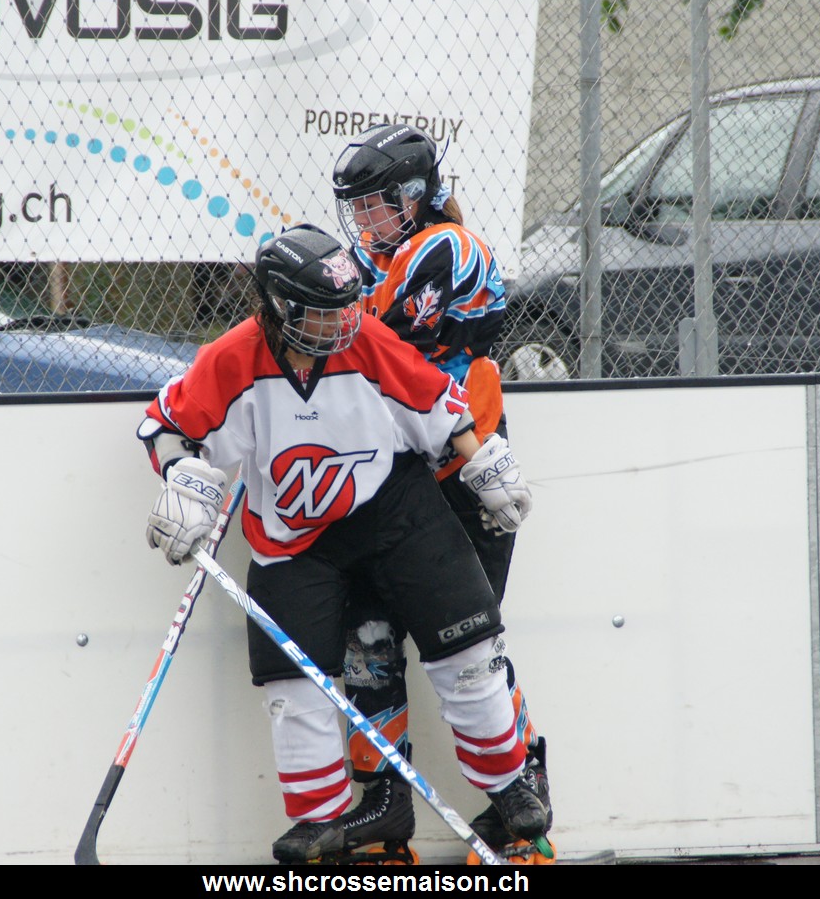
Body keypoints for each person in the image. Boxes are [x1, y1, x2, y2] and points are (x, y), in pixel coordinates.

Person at [137, 224, 549, 865]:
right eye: (324, 313)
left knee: (469, 652)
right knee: (294, 689)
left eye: (347, 307)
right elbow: (166, 424)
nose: (343, 323)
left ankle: (510, 784)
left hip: (394, 510)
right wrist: (181, 476)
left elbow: (438, 405)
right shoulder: (233, 357)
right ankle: (319, 819)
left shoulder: (367, 339)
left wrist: (483, 462)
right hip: (293, 540)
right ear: (279, 307)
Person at [328, 124, 552, 863]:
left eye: (375, 203)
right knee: (367, 640)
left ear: (413, 194)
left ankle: (522, 810)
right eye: (356, 207)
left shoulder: (446, 248)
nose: (364, 219)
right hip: (389, 476)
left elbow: (378, 348)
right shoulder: (368, 259)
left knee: (469, 648)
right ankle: (384, 807)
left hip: (464, 473)